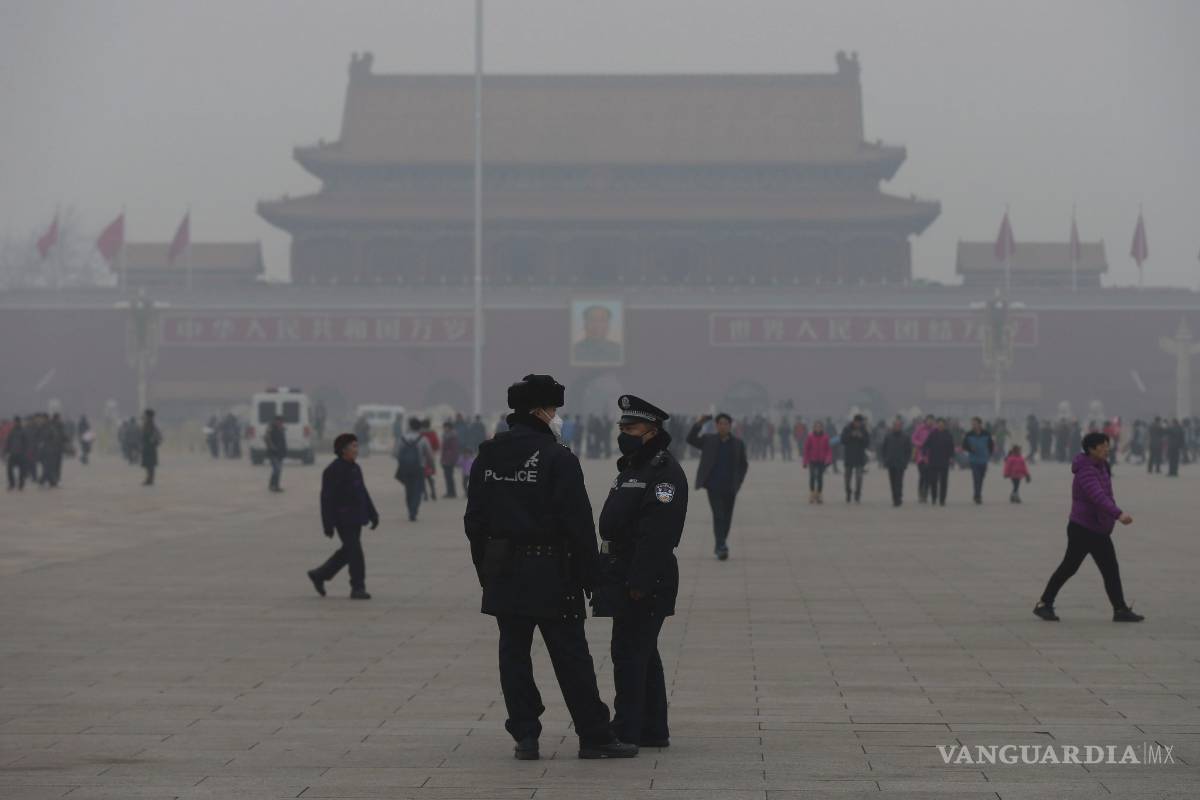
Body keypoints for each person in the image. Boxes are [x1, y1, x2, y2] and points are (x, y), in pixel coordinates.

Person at [464, 374, 636, 761]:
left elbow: (474, 520)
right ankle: (594, 734)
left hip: (504, 571)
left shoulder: (488, 455)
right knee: (571, 655)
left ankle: (525, 734)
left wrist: (486, 570)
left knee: (513, 656)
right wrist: (591, 577)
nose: (556, 415)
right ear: (540, 411)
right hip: (552, 571)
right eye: (554, 409)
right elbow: (578, 523)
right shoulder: (558, 458)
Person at [593, 395, 688, 749]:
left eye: (630, 428)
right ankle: (653, 727)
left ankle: (627, 727)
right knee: (643, 652)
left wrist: (640, 581)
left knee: (629, 653)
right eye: (622, 427)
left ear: (651, 431)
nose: (624, 434)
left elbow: (659, 534)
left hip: (645, 575)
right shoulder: (635, 466)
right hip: (623, 569)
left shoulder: (663, 472)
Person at [1034, 432, 1143, 623]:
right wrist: (1118, 514)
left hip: (1098, 529)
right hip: (1082, 528)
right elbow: (1098, 496)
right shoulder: (1085, 470)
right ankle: (1044, 604)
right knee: (1069, 567)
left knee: (1110, 568)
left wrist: (1109, 518)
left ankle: (1120, 609)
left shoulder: (1102, 466)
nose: (1107, 449)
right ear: (1091, 449)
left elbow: (1108, 495)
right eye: (1103, 446)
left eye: (1107, 445)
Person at [308, 433, 379, 600]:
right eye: (353, 446)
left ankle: (319, 574)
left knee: (348, 551)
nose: (356, 449)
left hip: (356, 518)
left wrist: (373, 513)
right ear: (343, 450)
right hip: (343, 519)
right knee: (355, 552)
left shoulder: (355, 468)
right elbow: (326, 499)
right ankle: (358, 587)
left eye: (356, 446)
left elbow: (363, 492)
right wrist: (328, 524)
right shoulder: (333, 471)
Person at [686, 413, 748, 561]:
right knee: (718, 515)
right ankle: (721, 546)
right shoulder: (709, 440)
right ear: (716, 425)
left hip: (730, 487)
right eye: (720, 423)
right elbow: (690, 439)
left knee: (727, 517)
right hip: (713, 486)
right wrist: (699, 423)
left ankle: (720, 543)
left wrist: (738, 482)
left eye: (726, 424)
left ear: (730, 426)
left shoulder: (738, 443)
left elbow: (743, 465)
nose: (723, 426)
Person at [394, 418, 434, 521]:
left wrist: (403, 462)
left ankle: (410, 509)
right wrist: (431, 465)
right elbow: (429, 454)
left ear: (410, 426)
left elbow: (396, 453)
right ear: (419, 427)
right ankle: (413, 511)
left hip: (405, 468)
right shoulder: (423, 439)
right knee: (418, 490)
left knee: (408, 490)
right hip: (419, 467)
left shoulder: (402, 438)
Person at [921, 418, 955, 507]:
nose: (940, 426)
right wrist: (924, 455)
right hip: (933, 461)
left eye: (942, 424)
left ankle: (942, 499)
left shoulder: (948, 435)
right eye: (939, 424)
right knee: (933, 481)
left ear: (945, 425)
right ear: (936, 425)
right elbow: (925, 445)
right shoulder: (932, 434)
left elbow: (951, 447)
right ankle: (934, 497)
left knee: (944, 482)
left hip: (944, 461)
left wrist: (951, 457)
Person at [880, 417, 912, 507]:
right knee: (892, 481)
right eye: (895, 425)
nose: (897, 427)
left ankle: (899, 497)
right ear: (893, 426)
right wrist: (885, 459)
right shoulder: (888, 436)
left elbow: (908, 450)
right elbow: (884, 449)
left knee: (899, 481)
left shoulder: (905, 437)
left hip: (901, 462)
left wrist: (906, 461)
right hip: (890, 462)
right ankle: (894, 497)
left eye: (899, 425)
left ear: (901, 426)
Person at [962, 417, 995, 504]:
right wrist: (970, 449)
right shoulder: (969, 434)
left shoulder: (986, 434)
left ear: (980, 424)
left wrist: (989, 454)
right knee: (976, 478)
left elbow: (991, 445)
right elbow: (964, 446)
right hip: (973, 460)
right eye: (972, 424)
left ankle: (978, 493)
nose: (973, 425)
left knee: (981, 478)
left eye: (975, 423)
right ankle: (977, 495)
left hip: (984, 459)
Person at [839, 414, 871, 504]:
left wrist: (861, 437)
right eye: (857, 422)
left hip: (859, 457)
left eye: (860, 422)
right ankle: (848, 492)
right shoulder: (847, 429)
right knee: (847, 478)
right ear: (854, 421)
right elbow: (842, 440)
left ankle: (857, 494)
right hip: (849, 457)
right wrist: (851, 435)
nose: (858, 424)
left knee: (859, 477)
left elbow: (867, 443)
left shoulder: (864, 430)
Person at [802, 419, 832, 504]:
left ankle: (819, 494)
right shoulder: (810, 437)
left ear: (822, 428)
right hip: (812, 460)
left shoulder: (825, 437)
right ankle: (812, 493)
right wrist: (805, 461)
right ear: (814, 428)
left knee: (819, 477)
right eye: (816, 427)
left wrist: (828, 459)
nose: (818, 428)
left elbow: (828, 450)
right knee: (812, 476)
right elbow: (806, 449)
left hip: (821, 461)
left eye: (819, 427)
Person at [911, 414, 935, 503]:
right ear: (926, 420)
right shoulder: (920, 428)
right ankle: (921, 494)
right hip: (920, 456)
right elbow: (913, 439)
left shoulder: (935, 430)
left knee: (929, 477)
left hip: (931, 456)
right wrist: (920, 444)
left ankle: (925, 494)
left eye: (932, 420)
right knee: (922, 475)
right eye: (929, 420)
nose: (930, 422)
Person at [264, 415, 287, 492]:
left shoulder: (281, 429)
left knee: (278, 470)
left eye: (281, 422)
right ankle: (274, 486)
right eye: (279, 422)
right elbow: (267, 439)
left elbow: (283, 441)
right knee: (277, 469)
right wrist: (272, 447)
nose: (281, 423)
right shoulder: (270, 429)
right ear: (276, 421)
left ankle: (273, 485)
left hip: (280, 453)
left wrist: (284, 451)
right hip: (273, 453)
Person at [440, 420, 461, 498]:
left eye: (445, 427)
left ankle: (451, 492)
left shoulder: (452, 436)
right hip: (445, 458)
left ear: (449, 427)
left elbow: (454, 449)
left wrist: (453, 459)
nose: (444, 429)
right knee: (447, 476)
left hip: (449, 459)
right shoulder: (446, 435)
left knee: (449, 476)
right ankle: (450, 492)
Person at [5, 416, 27, 491]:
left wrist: (25, 452)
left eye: (16, 422)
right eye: (14, 422)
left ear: (19, 422)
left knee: (22, 471)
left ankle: (21, 485)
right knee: (9, 469)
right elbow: (8, 442)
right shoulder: (11, 431)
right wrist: (6, 451)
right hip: (12, 454)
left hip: (21, 454)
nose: (15, 423)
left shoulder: (23, 431)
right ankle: (12, 484)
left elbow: (27, 443)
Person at [140, 409, 161, 486]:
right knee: (149, 465)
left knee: (150, 465)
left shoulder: (150, 424)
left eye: (145, 415)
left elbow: (148, 435)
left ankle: (150, 479)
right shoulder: (149, 423)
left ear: (148, 416)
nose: (144, 416)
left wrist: (150, 442)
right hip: (149, 447)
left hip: (149, 447)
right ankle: (149, 479)